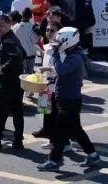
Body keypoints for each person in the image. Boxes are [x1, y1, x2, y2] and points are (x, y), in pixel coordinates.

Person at [39, 27, 100, 170]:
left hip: (69, 100)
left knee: (60, 131)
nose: (57, 45)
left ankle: (54, 161)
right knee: (76, 130)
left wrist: (55, 54)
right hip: (68, 97)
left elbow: (62, 70)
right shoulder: (71, 53)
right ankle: (93, 155)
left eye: (59, 42)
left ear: (68, 41)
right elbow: (63, 72)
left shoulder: (75, 57)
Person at [0, 15, 25, 151]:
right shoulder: (10, 38)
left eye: (2, 25)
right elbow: (23, 53)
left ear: (9, 25)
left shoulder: (9, 41)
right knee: (17, 111)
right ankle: (18, 141)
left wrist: (2, 69)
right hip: (17, 82)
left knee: (1, 112)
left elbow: (16, 58)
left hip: (9, 82)